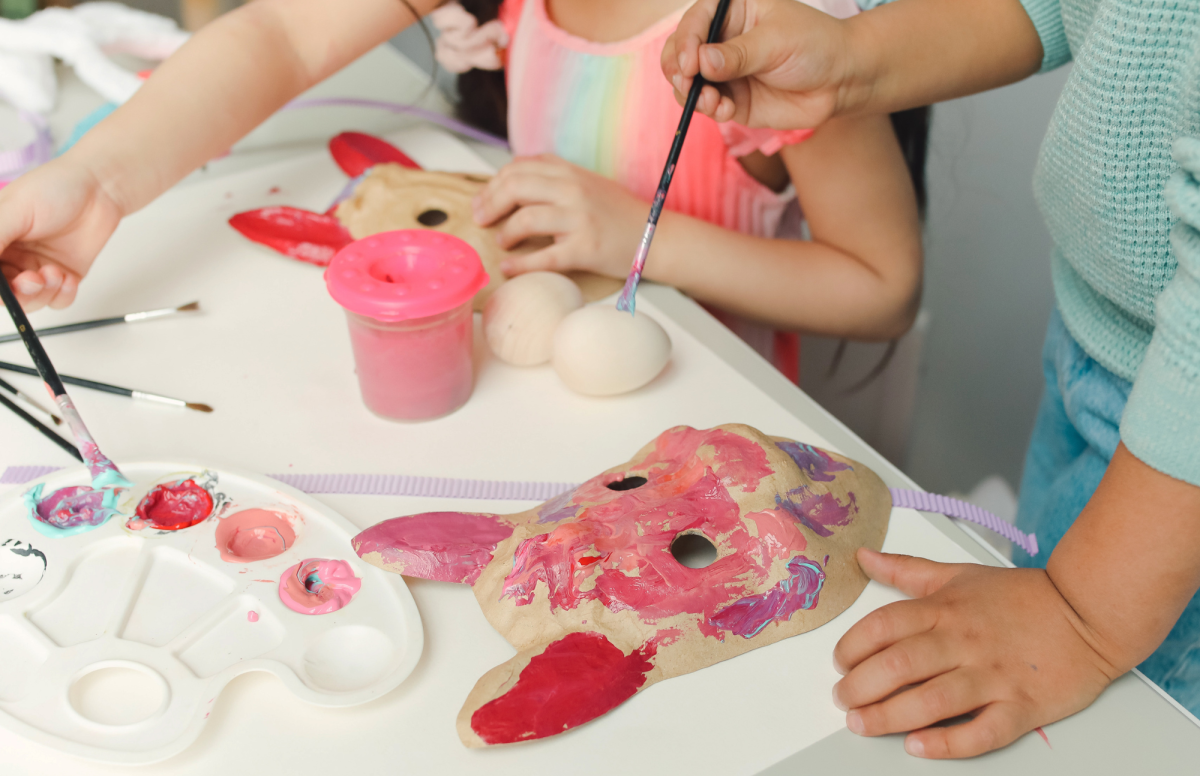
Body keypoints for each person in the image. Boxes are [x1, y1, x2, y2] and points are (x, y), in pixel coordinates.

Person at [661, 0, 1200, 759]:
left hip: (1176, 455)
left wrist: (1083, 614)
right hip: (1094, 346)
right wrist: (854, 57)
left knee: (1115, 736)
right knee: (1019, 674)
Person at [0, 0, 926, 382]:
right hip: (523, 374)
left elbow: (881, 289)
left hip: (698, 408)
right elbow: (281, 37)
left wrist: (638, 239)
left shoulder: (777, 31)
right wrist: (95, 181)